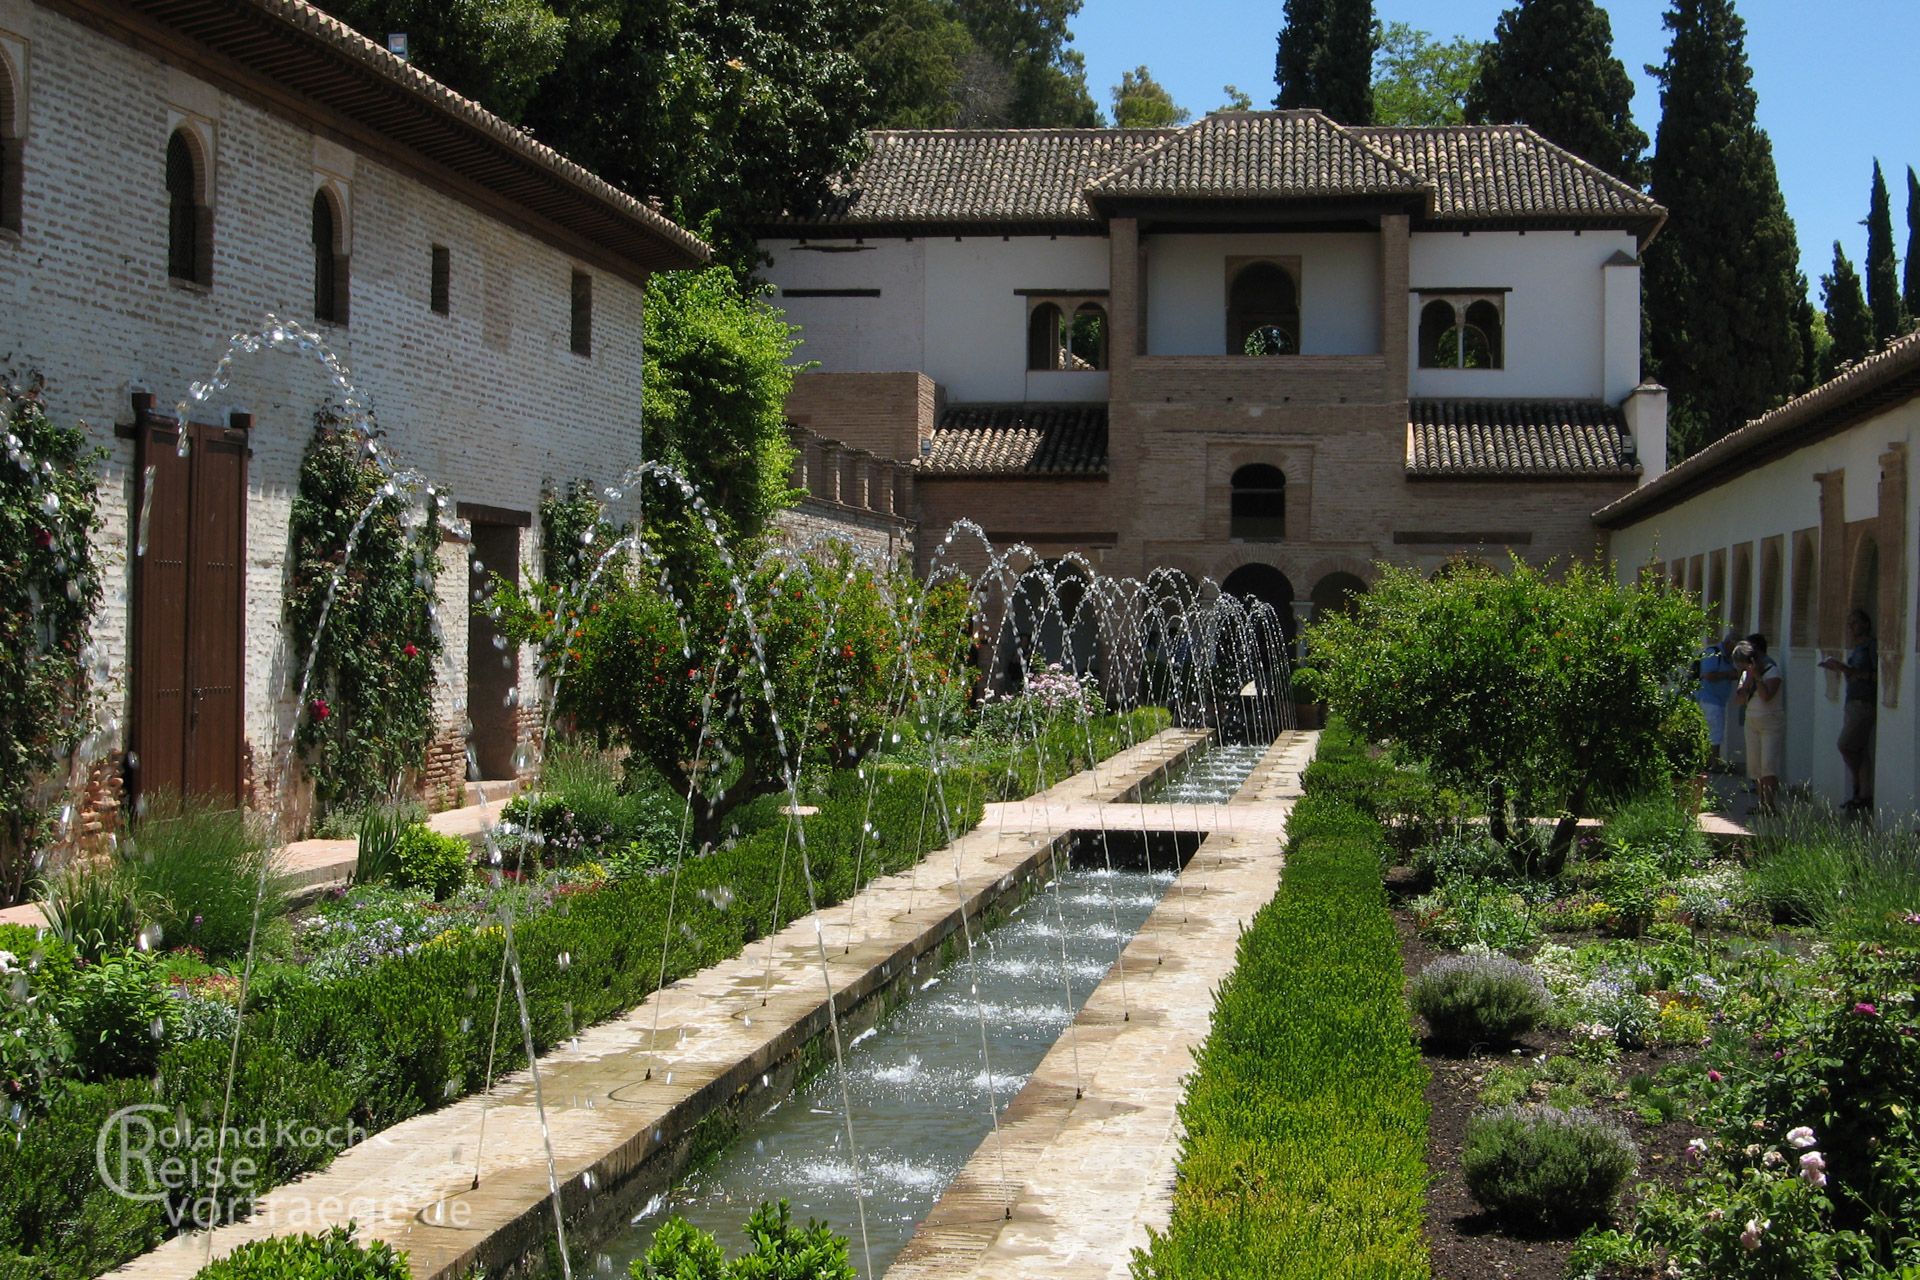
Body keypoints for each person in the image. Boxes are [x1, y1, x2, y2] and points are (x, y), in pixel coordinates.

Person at [1819, 609, 1877, 810]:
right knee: (1858, 749)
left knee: (1846, 745)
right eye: (1849, 624)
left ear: (1866, 624)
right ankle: (1862, 793)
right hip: (1852, 702)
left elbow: (1876, 676)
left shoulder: (1870, 647)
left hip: (1864, 703)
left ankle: (1859, 786)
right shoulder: (1857, 648)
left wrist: (1845, 669)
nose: (1851, 628)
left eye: (1855, 623)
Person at [1733, 637, 1785, 814]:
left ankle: (1770, 804)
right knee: (1755, 766)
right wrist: (1747, 681)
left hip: (1771, 721)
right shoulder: (1746, 675)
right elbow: (1739, 700)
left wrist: (1757, 678)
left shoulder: (1772, 671)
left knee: (1768, 765)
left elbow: (1766, 696)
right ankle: (1761, 803)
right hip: (1752, 720)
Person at [1693, 629, 1740, 767]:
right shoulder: (1713, 653)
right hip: (1709, 699)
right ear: (1730, 643)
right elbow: (1708, 675)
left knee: (1715, 731)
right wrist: (1728, 675)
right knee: (1715, 732)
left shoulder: (1727, 657)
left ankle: (1711, 761)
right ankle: (1713, 762)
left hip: (1718, 700)